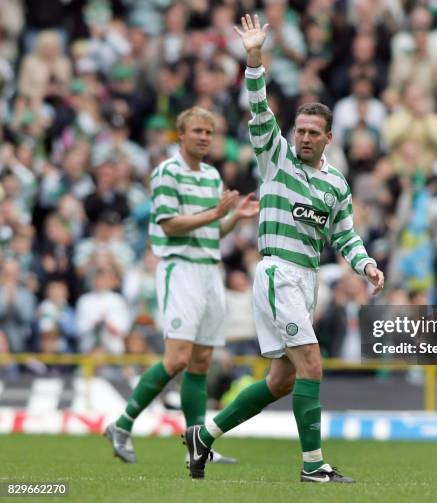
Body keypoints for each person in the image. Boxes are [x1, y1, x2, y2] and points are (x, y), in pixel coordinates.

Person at [183, 14, 384, 484]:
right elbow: (258, 109)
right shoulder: (275, 157)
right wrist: (255, 58)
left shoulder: (336, 184)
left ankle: (204, 435)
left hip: (306, 279)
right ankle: (313, 465)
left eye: (314, 132)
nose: (305, 137)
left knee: (283, 379)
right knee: (311, 361)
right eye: (301, 130)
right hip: (277, 273)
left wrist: (367, 265)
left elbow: (344, 235)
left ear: (329, 138)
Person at [104, 106, 259, 464]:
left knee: (201, 362)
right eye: (198, 131)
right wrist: (217, 214)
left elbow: (211, 229)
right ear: (182, 134)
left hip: (209, 272)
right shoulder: (166, 173)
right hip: (180, 269)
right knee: (176, 359)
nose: (205, 137)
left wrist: (234, 217)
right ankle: (122, 424)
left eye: (210, 131)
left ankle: (196, 448)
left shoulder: (210, 175)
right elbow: (170, 224)